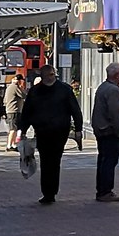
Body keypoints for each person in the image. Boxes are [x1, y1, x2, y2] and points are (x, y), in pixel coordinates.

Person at [16, 65, 83, 205]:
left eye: (52, 75)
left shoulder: (64, 90)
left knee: (55, 160)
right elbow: (27, 112)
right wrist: (22, 130)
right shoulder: (35, 91)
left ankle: (51, 191)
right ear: (43, 76)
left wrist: (78, 129)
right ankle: (47, 192)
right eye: (48, 75)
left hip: (60, 131)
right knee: (46, 161)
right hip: (42, 130)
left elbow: (75, 110)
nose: (50, 78)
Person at [91, 63, 119, 203]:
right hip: (110, 131)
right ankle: (105, 191)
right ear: (116, 75)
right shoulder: (113, 90)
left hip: (102, 130)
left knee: (103, 160)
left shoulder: (103, 87)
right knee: (109, 160)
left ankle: (102, 190)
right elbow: (116, 113)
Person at [3, 74, 26, 152]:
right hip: (14, 110)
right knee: (13, 129)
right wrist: (22, 89)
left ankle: (13, 144)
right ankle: (9, 145)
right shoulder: (15, 87)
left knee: (15, 128)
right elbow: (23, 95)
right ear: (19, 80)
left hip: (10, 110)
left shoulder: (9, 87)